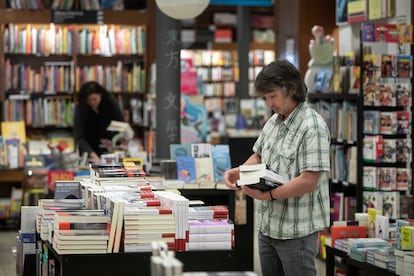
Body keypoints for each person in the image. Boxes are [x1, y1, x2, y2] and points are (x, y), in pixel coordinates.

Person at [224, 60, 331, 276]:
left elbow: (309, 181)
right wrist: (240, 171)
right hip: (267, 227)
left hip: (296, 231)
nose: (269, 102)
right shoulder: (274, 122)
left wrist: (270, 196)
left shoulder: (313, 127)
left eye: (273, 96)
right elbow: (259, 154)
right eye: (266, 97)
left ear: (291, 89)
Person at [73, 81, 125, 164]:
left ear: (100, 95)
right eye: (89, 100)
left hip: (110, 148)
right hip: (89, 150)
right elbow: (79, 137)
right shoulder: (80, 108)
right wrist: (92, 155)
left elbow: (120, 125)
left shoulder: (110, 102)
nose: (92, 102)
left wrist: (117, 145)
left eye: (95, 99)